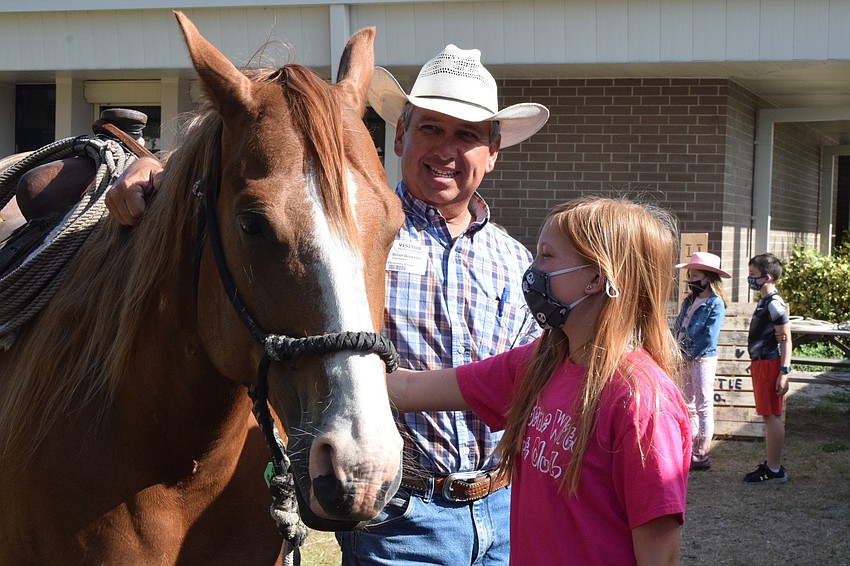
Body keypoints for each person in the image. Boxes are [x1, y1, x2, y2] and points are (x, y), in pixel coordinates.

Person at [104, 44, 550, 565]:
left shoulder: (516, 259)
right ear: (401, 134)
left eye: (468, 134)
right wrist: (160, 169)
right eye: (430, 128)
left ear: (493, 151)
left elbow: (533, 380)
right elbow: (282, 192)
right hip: (403, 513)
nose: (446, 148)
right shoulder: (358, 228)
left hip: (503, 511)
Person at [388, 196, 691, 566]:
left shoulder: (641, 401)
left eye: (546, 257)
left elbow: (660, 557)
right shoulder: (539, 363)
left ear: (595, 278)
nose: (531, 271)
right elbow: (407, 389)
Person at [673, 251, 730, 471]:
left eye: (694, 275)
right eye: (689, 275)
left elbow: (708, 336)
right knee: (688, 405)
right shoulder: (690, 301)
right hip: (685, 357)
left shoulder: (715, 304)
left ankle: (701, 453)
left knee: (703, 404)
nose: (690, 280)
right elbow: (679, 327)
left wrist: (687, 354)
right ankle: (689, 449)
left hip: (702, 359)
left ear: (707, 277)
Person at [744, 252, 792, 483]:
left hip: (769, 363)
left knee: (772, 415)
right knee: (768, 415)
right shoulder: (764, 301)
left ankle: (774, 470)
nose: (750, 278)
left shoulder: (774, 303)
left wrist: (784, 372)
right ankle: (772, 465)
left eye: (753, 274)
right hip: (761, 363)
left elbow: (786, 338)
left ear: (768, 277)